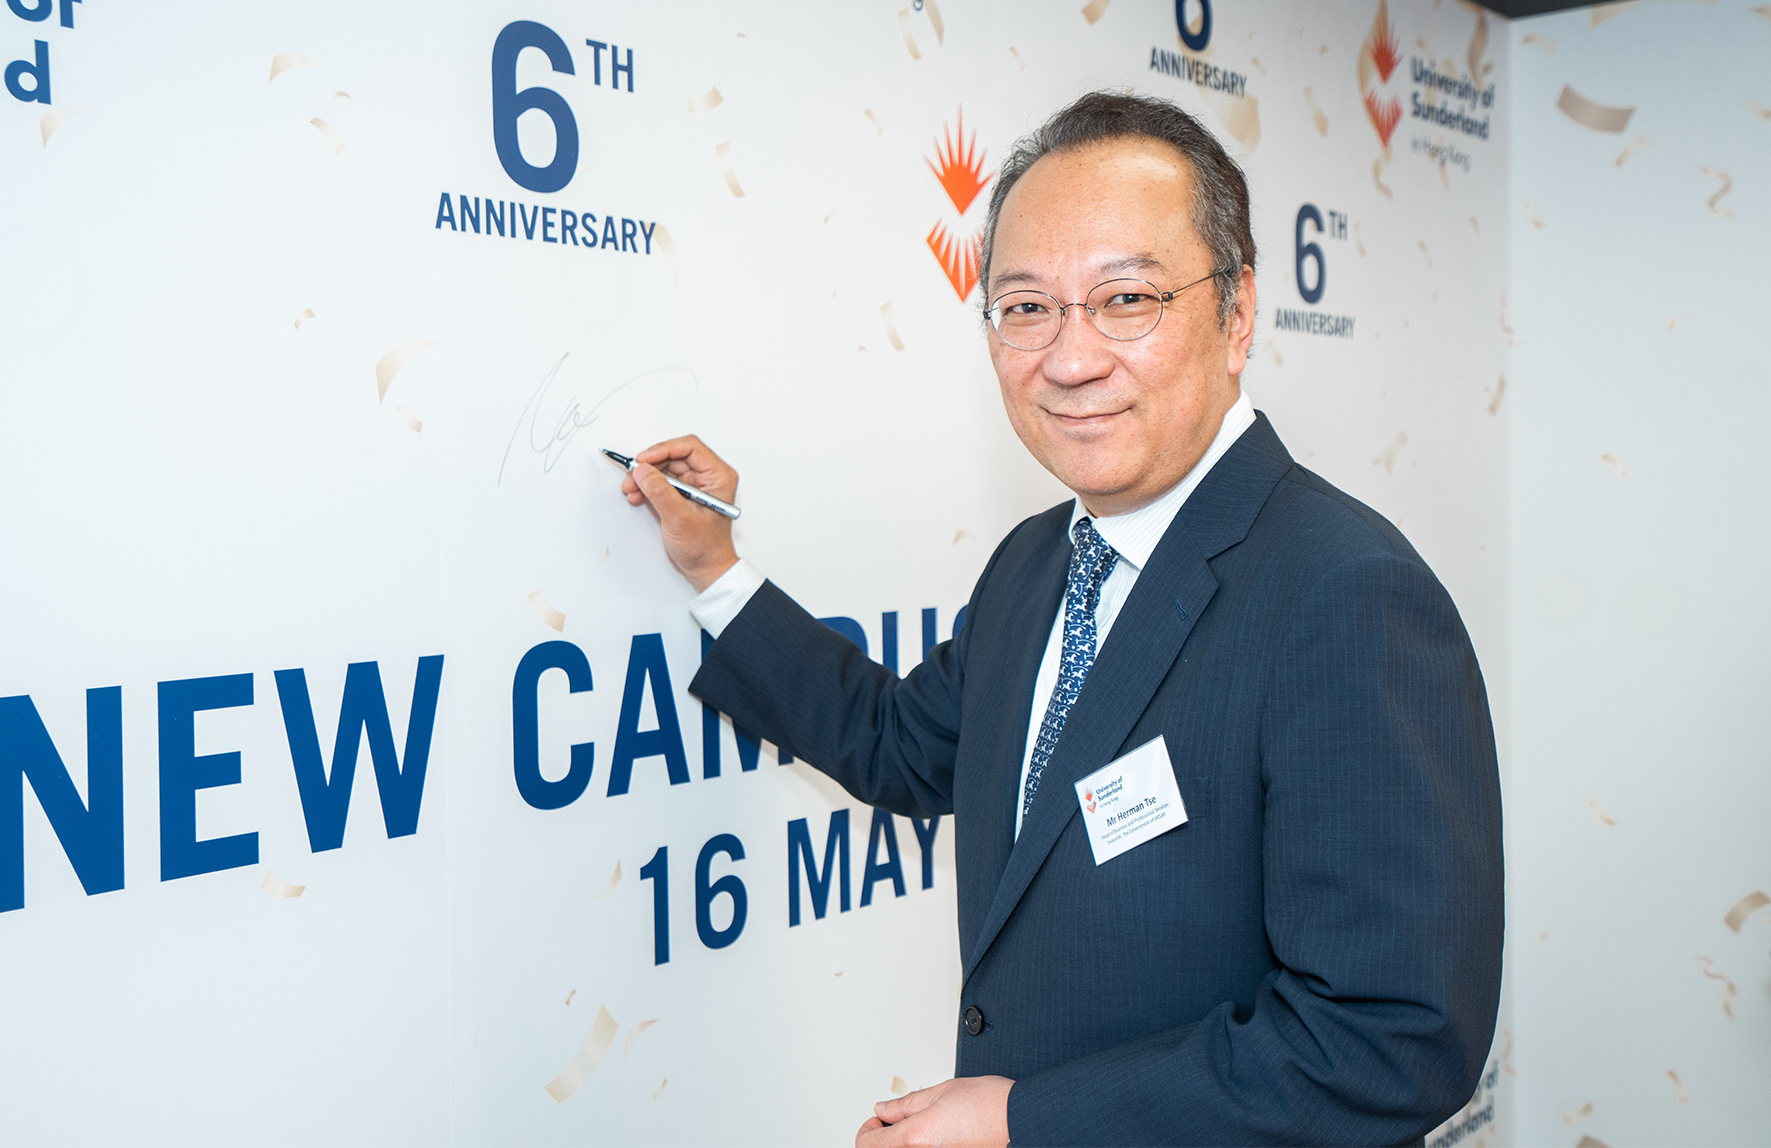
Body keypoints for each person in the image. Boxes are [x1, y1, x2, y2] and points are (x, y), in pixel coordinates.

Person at [616, 91, 1503, 1147]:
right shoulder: (1040, 561)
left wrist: (1021, 1116)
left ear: (1237, 312)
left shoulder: (1344, 594)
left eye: (1125, 298)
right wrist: (714, 569)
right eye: (1025, 306)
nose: (1069, 358)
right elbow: (902, 745)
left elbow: (1387, 1038)